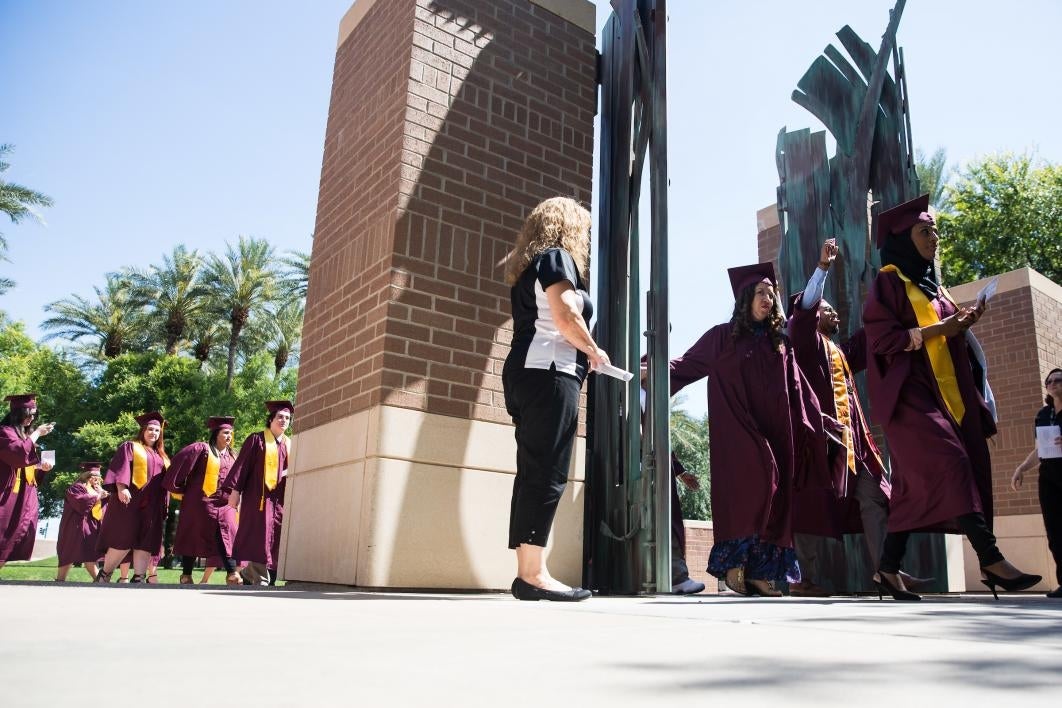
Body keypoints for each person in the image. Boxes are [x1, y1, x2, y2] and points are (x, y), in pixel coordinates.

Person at [863, 194, 1040, 600]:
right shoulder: (889, 283)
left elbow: (944, 333)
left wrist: (963, 322)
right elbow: (884, 339)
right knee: (952, 461)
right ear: (904, 239)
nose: (934, 238)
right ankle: (991, 558)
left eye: (936, 231)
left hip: (943, 395)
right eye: (925, 231)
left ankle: (887, 571)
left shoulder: (934, 286)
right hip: (909, 397)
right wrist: (942, 329)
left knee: (911, 488)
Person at [670, 263, 826, 597]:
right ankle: (734, 563)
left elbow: (799, 389)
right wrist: (649, 369)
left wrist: (819, 422)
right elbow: (685, 365)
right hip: (739, 430)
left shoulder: (780, 344)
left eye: (771, 293)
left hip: (777, 431)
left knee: (777, 491)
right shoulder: (722, 337)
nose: (768, 298)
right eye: (760, 292)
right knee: (758, 479)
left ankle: (759, 572)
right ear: (745, 299)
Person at [502, 196, 605, 602]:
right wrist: (594, 351)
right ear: (569, 226)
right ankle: (533, 576)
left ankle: (529, 571)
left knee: (532, 471)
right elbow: (565, 314)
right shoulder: (558, 257)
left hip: (528, 374)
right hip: (549, 374)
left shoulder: (533, 262)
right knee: (547, 472)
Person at [787, 239, 903, 597]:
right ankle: (803, 579)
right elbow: (804, 308)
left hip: (856, 443)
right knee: (812, 505)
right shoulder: (804, 344)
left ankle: (886, 570)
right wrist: (822, 268)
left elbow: (871, 336)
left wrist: (892, 294)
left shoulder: (838, 349)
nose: (836, 314)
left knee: (875, 498)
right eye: (828, 309)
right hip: (821, 441)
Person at [94, 411, 170, 583]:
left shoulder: (161, 456)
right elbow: (121, 467)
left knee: (145, 541)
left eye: (157, 431)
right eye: (150, 429)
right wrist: (121, 487)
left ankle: (139, 579)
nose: (153, 433)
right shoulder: (131, 446)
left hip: (152, 505)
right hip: (130, 501)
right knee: (123, 538)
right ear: (143, 430)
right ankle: (105, 574)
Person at [164, 416, 241, 585]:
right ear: (216, 434)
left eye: (231, 433)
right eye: (225, 432)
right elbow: (178, 466)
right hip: (200, 502)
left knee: (228, 532)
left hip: (225, 503)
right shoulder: (202, 449)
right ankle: (186, 574)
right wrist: (180, 490)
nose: (229, 436)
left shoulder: (233, 456)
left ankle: (232, 573)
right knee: (193, 534)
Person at [225, 401, 292, 586]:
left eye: (287, 418)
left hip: (279, 499)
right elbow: (242, 466)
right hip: (258, 497)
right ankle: (260, 577)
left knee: (275, 536)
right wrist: (235, 492)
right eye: (280, 417)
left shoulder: (289, 444)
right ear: (271, 418)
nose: (283, 420)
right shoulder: (257, 439)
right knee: (259, 534)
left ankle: (248, 573)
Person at [1010, 368, 1062, 598]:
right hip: (1049, 477)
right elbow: (1040, 448)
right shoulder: (1043, 414)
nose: (1052, 383)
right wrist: (1022, 468)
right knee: (1055, 532)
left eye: (1058, 380)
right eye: (1049, 381)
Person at [0, 393, 55, 570]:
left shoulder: (24, 436)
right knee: (3, 531)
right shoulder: (5, 432)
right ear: (17, 414)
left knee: (16, 533)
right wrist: (37, 433)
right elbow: (18, 455)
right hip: (7, 493)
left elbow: (26, 466)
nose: (31, 419)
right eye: (28, 414)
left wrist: (41, 469)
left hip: (24, 494)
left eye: (34, 415)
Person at [55, 462, 108, 581]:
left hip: (91, 525)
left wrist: (104, 495)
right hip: (76, 525)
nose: (98, 479)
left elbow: (102, 508)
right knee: (68, 553)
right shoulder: (77, 487)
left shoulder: (97, 489)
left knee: (90, 553)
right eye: (95, 476)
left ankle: (99, 580)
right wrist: (99, 495)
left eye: (99, 477)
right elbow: (81, 502)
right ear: (87, 475)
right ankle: (60, 580)